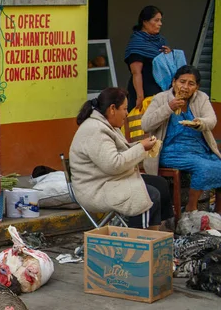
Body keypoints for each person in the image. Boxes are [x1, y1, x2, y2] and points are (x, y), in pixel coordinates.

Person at [69, 88, 174, 230]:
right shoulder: (95, 130)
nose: (126, 113)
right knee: (149, 195)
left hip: (112, 179)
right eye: (124, 109)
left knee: (160, 184)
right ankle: (140, 241)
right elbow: (114, 164)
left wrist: (142, 146)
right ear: (113, 109)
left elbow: (120, 152)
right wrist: (141, 148)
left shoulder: (108, 125)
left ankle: (158, 237)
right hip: (96, 188)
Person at [142, 65, 221, 213]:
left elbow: (212, 120)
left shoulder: (201, 98)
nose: (185, 87)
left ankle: (218, 212)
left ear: (196, 87)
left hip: (199, 149)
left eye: (191, 84)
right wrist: (169, 107)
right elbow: (146, 124)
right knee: (203, 168)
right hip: (171, 150)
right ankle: (191, 208)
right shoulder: (161, 99)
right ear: (174, 82)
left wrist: (200, 123)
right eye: (182, 82)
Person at [124, 6, 171, 111]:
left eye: (160, 20)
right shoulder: (137, 43)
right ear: (145, 22)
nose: (160, 23)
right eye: (156, 20)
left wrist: (169, 54)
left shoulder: (160, 41)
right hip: (145, 91)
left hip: (161, 91)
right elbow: (136, 73)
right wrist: (140, 97)